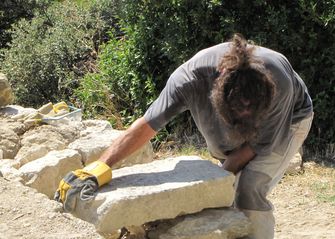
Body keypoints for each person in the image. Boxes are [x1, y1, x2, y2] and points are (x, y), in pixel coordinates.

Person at [55, 33, 313, 239]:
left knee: (248, 187)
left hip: (292, 119)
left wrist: (215, 182)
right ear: (219, 87)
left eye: (250, 111)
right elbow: (147, 125)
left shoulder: (279, 84)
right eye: (237, 111)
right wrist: (100, 167)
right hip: (230, 108)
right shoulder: (188, 80)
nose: (244, 118)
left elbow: (256, 146)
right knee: (227, 179)